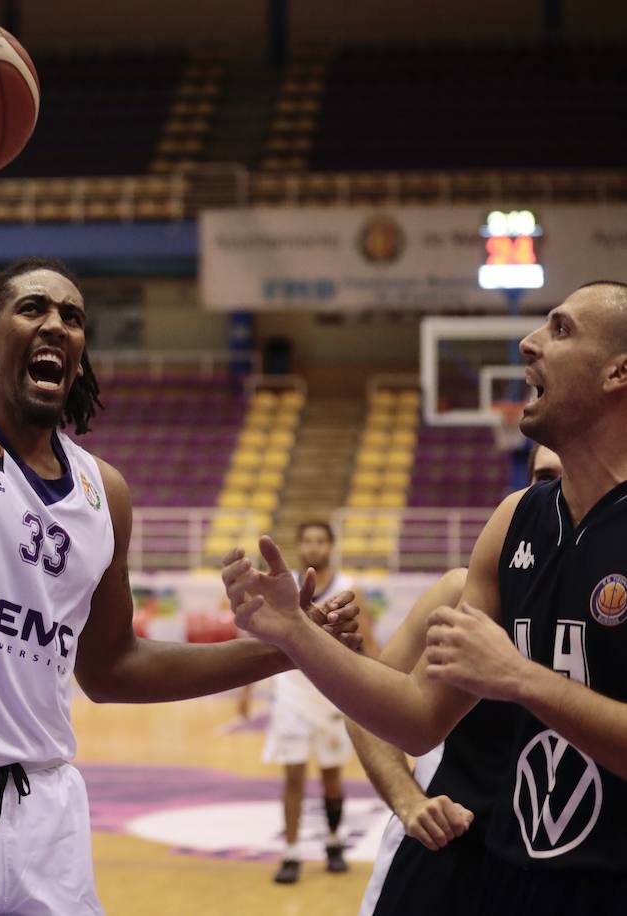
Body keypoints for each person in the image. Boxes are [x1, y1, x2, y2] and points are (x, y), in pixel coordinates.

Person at [0, 67, 363, 915]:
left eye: (73, 318)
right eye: (36, 309)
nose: (59, 326)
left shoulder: (106, 492)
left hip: (44, 806)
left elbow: (113, 667)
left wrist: (288, 644)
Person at [222, 282, 627, 914]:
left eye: (562, 329)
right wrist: (296, 635)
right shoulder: (512, 523)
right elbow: (416, 716)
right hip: (507, 876)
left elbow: (513, 681)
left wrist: (522, 679)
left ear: (618, 372)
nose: (529, 343)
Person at [354, 444, 563, 916]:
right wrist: (408, 801)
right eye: (544, 478)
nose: (557, 493)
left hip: (557, 861)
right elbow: (367, 709)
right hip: (447, 850)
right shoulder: (459, 591)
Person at [238, 521, 367, 883]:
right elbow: (261, 641)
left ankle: (334, 841)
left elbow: (366, 643)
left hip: (331, 694)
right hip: (291, 692)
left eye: (320, 541)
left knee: (331, 776)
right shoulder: (284, 587)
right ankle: (291, 852)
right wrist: (248, 691)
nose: (314, 547)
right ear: (299, 545)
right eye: (307, 540)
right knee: (293, 775)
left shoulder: (347, 589)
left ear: (331, 545)